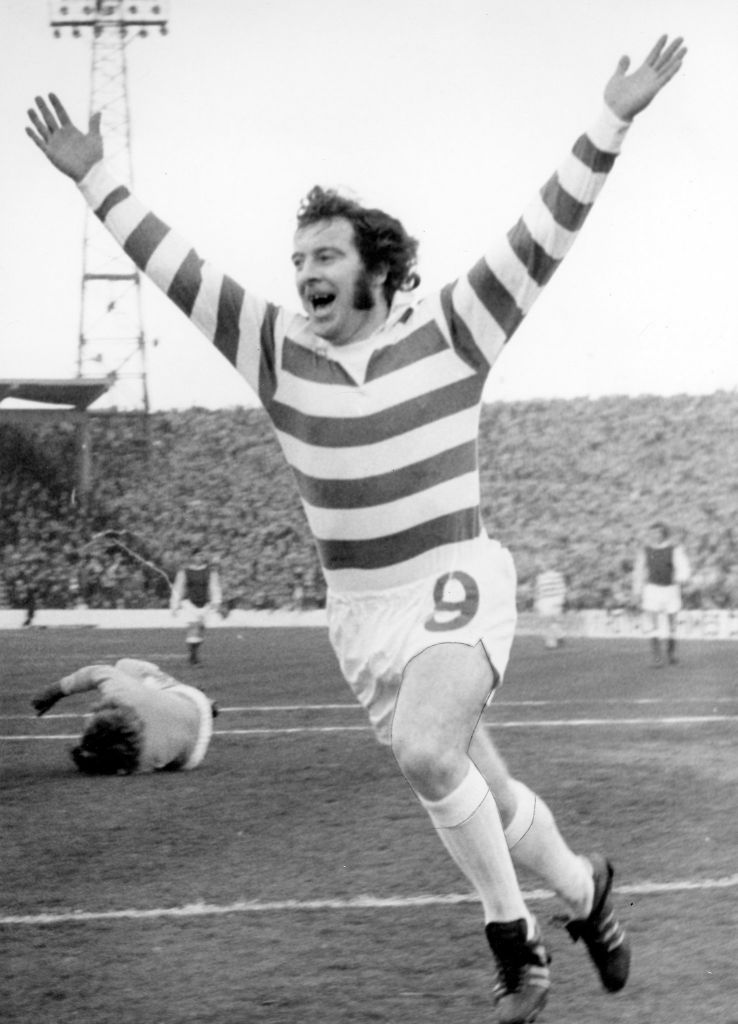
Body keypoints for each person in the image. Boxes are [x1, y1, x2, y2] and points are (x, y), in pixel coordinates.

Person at [26, 34, 686, 1022]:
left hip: (455, 579)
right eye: (297, 259)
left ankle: (516, 946)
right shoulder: (273, 348)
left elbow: (547, 228)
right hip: (362, 617)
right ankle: (585, 889)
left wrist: (611, 117)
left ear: (377, 266)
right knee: (483, 786)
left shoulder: (456, 329)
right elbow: (178, 269)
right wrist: (96, 180)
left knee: (427, 750)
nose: (305, 272)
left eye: (325, 255)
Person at [31, 658, 217, 774]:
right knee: (125, 665)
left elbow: (113, 763)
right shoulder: (122, 693)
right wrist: (54, 691)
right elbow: (96, 671)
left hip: (191, 755)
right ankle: (195, 695)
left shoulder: (141, 761)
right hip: (193, 702)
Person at [632, 521, 691, 667]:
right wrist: (637, 591)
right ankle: (656, 657)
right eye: (652, 533)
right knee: (652, 624)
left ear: (664, 534)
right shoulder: (645, 551)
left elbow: (683, 568)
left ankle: (671, 653)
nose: (655, 536)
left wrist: (680, 578)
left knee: (672, 624)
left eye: (658, 532)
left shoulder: (674, 550)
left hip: (670, 590)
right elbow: (639, 571)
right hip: (652, 590)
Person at [169, 547, 223, 664]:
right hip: (189, 604)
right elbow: (178, 588)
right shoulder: (184, 572)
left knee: (200, 629)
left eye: (202, 555)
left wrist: (216, 601)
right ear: (192, 557)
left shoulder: (210, 572)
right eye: (198, 555)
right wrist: (175, 604)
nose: (201, 558)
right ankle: (193, 657)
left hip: (205, 604)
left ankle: (194, 653)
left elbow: (215, 587)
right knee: (194, 627)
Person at [534, 565, 567, 649]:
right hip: (547, 601)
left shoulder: (555, 576)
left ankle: (552, 642)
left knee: (549, 622)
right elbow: (538, 591)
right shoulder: (541, 577)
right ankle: (559, 636)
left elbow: (561, 589)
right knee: (551, 622)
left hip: (551, 601)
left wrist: (560, 600)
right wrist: (537, 602)